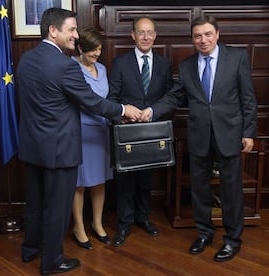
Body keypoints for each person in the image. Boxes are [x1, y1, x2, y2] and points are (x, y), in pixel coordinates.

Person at [16, 8, 141, 275]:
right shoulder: (64, 66)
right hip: (60, 149)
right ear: (53, 30)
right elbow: (92, 102)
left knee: (35, 202)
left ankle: (31, 250)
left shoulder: (26, 59)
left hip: (32, 146)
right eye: (71, 29)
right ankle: (51, 262)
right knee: (57, 208)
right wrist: (122, 110)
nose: (76, 35)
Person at [142, 15, 257, 262]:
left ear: (217, 34)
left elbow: (248, 98)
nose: (202, 40)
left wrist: (249, 132)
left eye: (207, 34)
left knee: (231, 190)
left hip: (230, 134)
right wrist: (151, 111)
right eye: (197, 36)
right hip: (199, 136)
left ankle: (232, 240)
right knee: (199, 189)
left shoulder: (237, 58)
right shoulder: (186, 66)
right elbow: (174, 97)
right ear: (192, 39)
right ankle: (204, 233)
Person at [107, 16, 174, 247]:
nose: (145, 37)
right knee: (125, 182)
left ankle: (143, 218)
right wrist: (124, 114)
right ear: (133, 35)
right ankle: (124, 225)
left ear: (155, 36)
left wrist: (154, 110)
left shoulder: (164, 64)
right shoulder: (120, 63)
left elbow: (169, 96)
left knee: (147, 180)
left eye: (150, 33)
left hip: (153, 134)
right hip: (127, 134)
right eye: (141, 32)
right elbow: (112, 98)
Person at [70, 27, 112, 249]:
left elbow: (105, 99)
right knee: (79, 184)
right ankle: (79, 227)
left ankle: (97, 224)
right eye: (92, 50)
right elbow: (86, 101)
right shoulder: (71, 68)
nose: (97, 54)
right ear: (80, 48)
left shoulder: (102, 69)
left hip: (101, 131)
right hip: (81, 132)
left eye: (99, 50)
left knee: (99, 181)